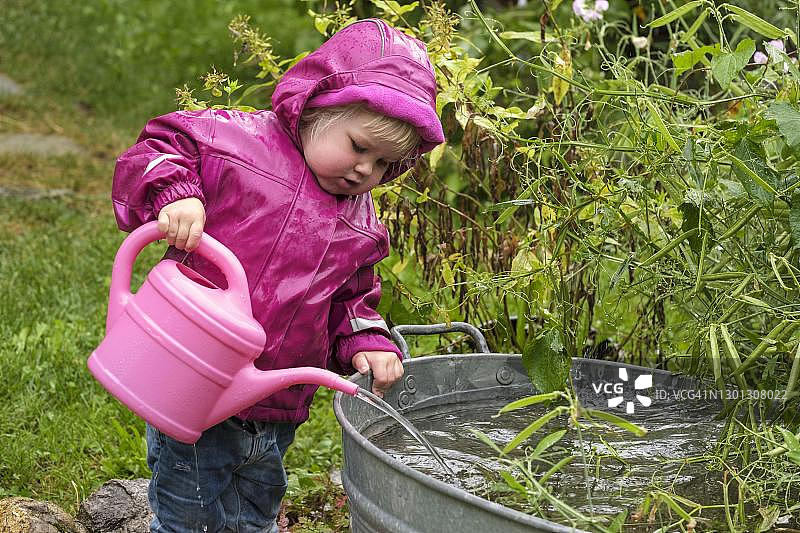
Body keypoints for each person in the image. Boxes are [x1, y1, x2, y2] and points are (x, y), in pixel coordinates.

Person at [110, 17, 444, 533]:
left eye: (383, 164)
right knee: (190, 517)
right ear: (316, 108)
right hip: (193, 384)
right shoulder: (236, 144)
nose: (364, 171)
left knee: (256, 511)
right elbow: (160, 146)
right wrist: (178, 195)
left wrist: (366, 339)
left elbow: (351, 299)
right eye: (358, 147)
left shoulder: (361, 223)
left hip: (274, 405)